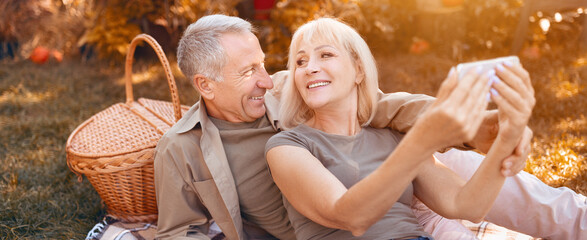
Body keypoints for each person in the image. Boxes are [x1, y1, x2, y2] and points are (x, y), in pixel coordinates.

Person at [154, 14, 587, 240]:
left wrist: (476, 129)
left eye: (266, 65)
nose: (269, 81)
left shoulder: (290, 86)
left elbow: (380, 105)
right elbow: (177, 232)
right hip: (342, 205)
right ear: (206, 85)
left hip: (391, 163)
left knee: (535, 198)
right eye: (249, 72)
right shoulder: (183, 148)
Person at [264, 17, 534, 239]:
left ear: (359, 70)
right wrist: (422, 140)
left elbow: (465, 204)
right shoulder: (287, 146)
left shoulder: (389, 136)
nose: (310, 68)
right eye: (300, 62)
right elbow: (352, 217)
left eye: (325, 55)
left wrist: (505, 142)